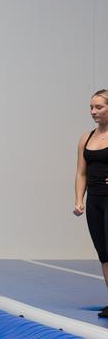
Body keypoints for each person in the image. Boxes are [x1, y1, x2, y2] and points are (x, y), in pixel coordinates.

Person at [74, 89, 108, 317]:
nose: (93, 112)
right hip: (94, 201)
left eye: (99, 107)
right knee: (103, 253)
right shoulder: (86, 137)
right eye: (91, 107)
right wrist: (79, 200)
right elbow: (81, 174)